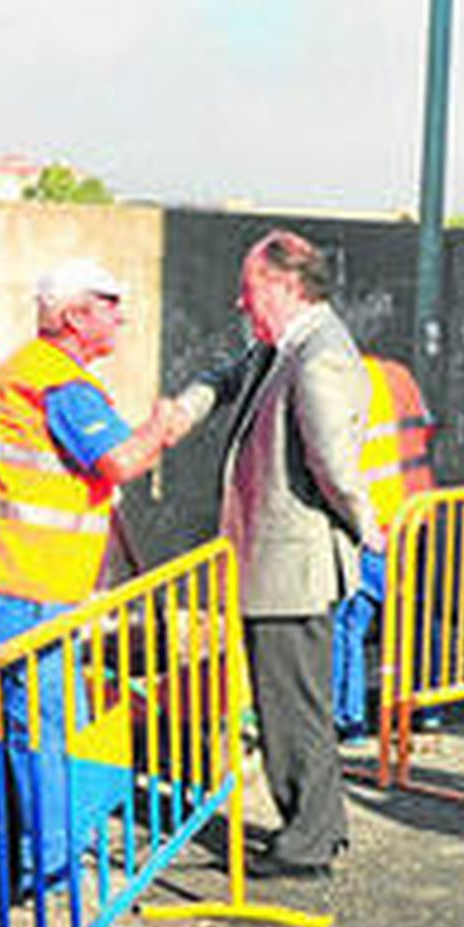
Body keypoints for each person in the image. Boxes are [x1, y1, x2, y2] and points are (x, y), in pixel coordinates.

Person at [0, 257, 179, 890]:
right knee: (39, 727)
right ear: (75, 315)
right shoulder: (56, 383)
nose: (121, 315)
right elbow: (123, 460)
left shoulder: (33, 375)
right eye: (110, 303)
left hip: (20, 580)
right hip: (24, 585)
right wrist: (161, 424)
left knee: (25, 721)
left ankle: (21, 850)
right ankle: (44, 870)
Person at [170, 230, 380, 878]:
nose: (240, 302)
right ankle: (318, 827)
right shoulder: (283, 346)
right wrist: (185, 408)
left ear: (288, 286)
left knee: (292, 705)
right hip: (276, 561)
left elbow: (334, 465)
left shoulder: (318, 355)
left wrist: (364, 525)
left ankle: (308, 842)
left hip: (293, 562)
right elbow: (228, 375)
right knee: (293, 701)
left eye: (250, 287)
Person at [331, 353, 436, 742]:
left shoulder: (338, 382)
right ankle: (425, 707)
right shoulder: (399, 375)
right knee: (413, 616)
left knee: (349, 620)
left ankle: (348, 720)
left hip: (370, 521)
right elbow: (427, 431)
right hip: (417, 512)